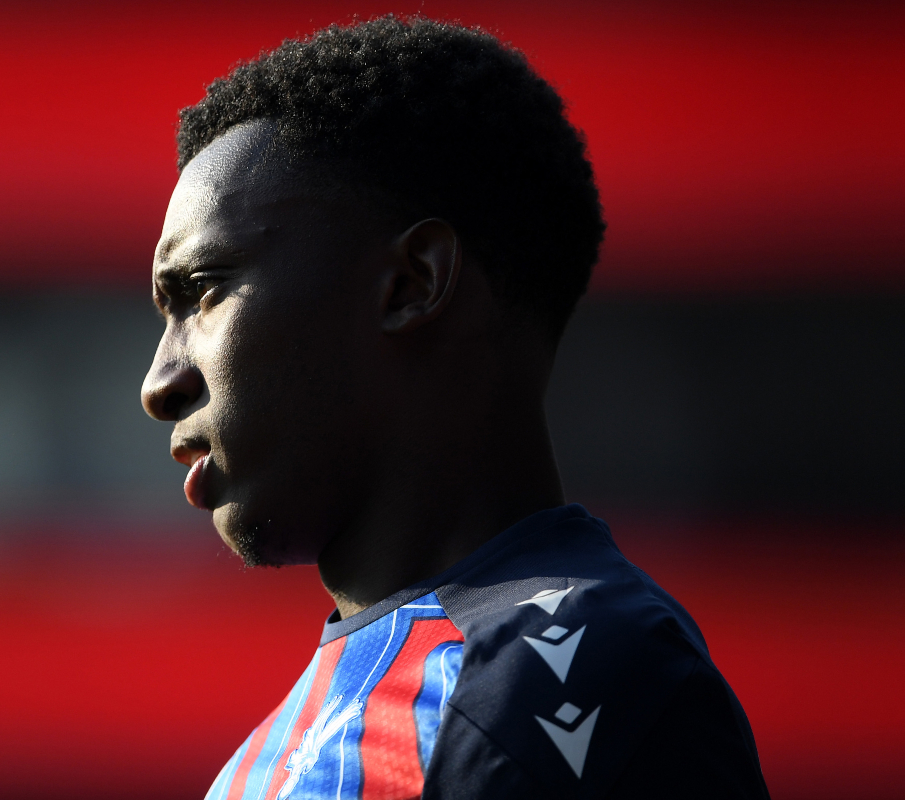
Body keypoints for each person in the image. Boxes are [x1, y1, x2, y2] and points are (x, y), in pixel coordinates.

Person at [141, 16, 768, 800]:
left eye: (201, 293)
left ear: (410, 284)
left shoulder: (579, 667)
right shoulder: (256, 763)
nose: (157, 382)